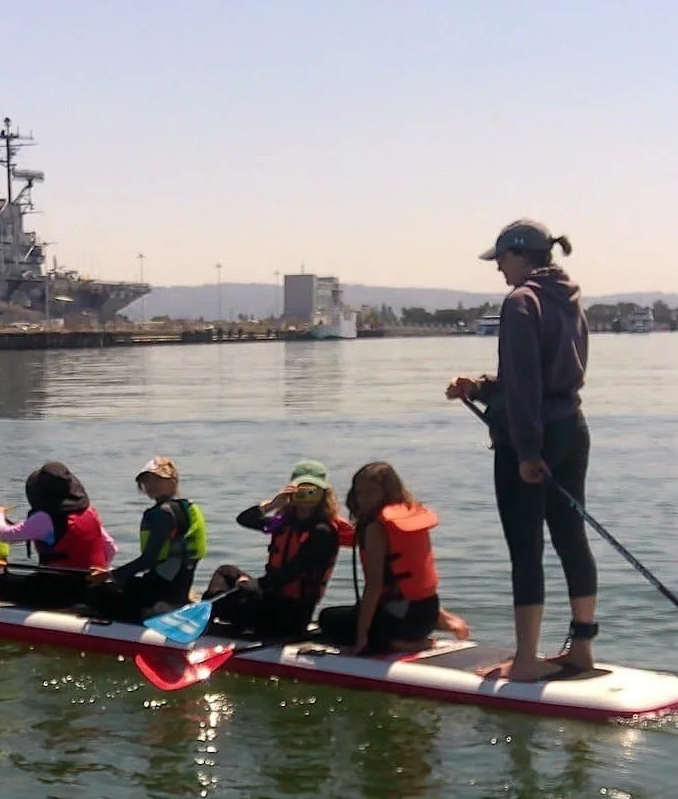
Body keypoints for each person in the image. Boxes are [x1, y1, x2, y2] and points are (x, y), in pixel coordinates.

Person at [445, 218, 599, 681]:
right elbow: (545, 373)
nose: (499, 269)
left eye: (501, 259)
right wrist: (480, 387)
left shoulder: (520, 301)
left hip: (528, 438)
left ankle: (527, 659)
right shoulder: (569, 296)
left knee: (525, 546)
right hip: (571, 428)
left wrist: (528, 452)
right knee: (571, 538)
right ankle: (582, 650)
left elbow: (527, 383)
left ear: (519, 254)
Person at [316, 462, 469, 657]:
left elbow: (374, 587)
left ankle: (400, 643)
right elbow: (414, 581)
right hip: (428, 614)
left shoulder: (376, 528)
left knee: (328, 619)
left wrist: (361, 638)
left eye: (371, 492)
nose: (364, 499)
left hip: (403, 623)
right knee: (348, 614)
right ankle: (443, 622)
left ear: (387, 492)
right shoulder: (407, 516)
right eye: (360, 492)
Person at [205, 458, 349, 640]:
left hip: (292, 613)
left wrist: (253, 585)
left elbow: (290, 573)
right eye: (300, 490)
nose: (306, 497)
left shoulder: (322, 531)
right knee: (226, 571)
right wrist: (272, 505)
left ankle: (209, 619)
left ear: (323, 495)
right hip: (271, 598)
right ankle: (209, 617)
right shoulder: (283, 523)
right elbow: (245, 519)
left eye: (312, 491)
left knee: (225, 601)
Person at [86, 456, 207, 624]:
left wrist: (112, 575)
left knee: (96, 593)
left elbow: (150, 559)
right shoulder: (186, 508)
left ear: (173, 481)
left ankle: (154, 610)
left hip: (161, 591)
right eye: (146, 481)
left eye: (158, 479)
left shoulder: (162, 513)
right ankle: (171, 603)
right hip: (178, 588)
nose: (151, 485)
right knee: (127, 582)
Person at [0, 461, 115, 610]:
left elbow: (5, 534)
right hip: (90, 585)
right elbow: (111, 547)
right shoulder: (89, 512)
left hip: (57, 589)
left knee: (1, 582)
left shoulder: (43, 518)